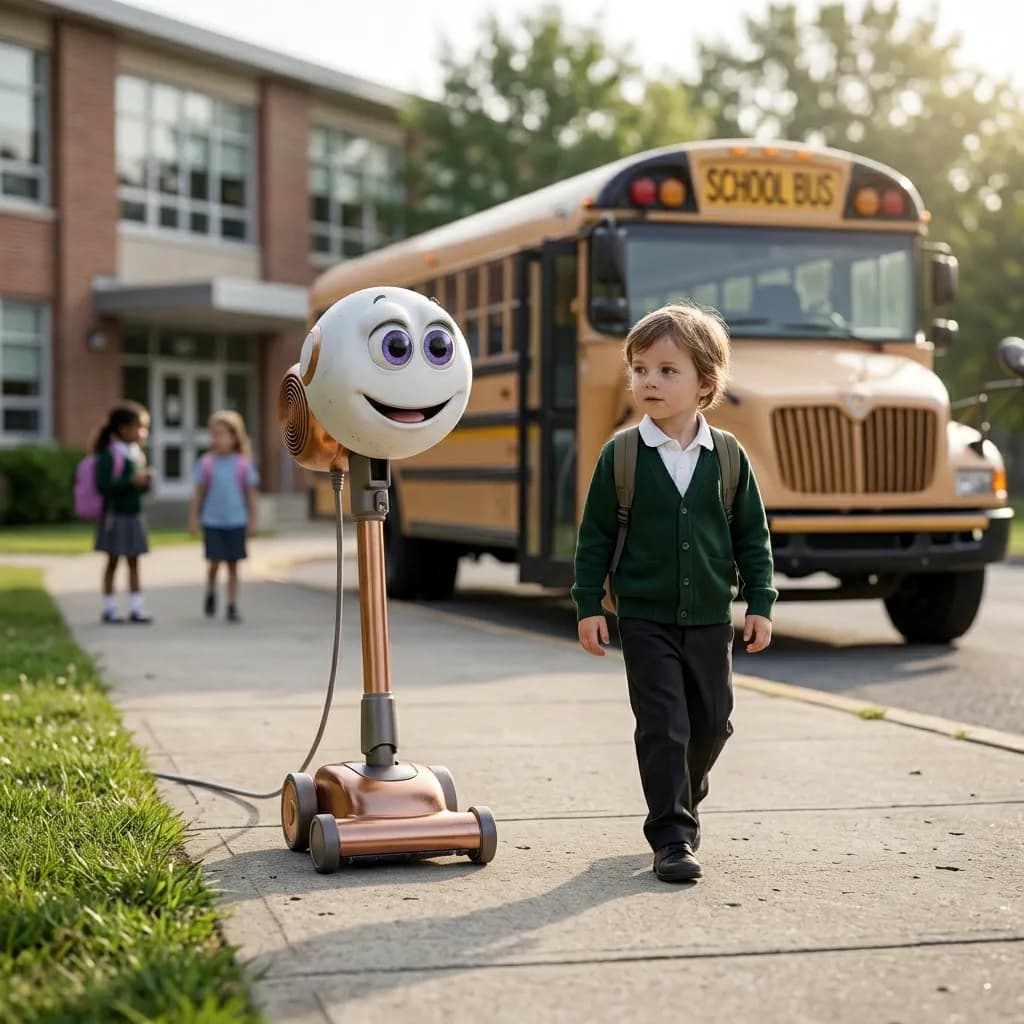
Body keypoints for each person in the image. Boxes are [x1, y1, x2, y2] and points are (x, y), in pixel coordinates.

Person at [572, 303, 777, 884]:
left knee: (712, 723)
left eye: (666, 370)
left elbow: (752, 538)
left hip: (711, 618)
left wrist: (760, 601)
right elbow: (594, 540)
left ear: (705, 383)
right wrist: (589, 604)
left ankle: (682, 794)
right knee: (664, 723)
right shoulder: (623, 456)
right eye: (639, 369)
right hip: (644, 617)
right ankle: (671, 835)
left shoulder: (729, 459)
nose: (648, 381)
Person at [188, 410, 259, 622]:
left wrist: (253, 520)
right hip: (213, 521)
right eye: (214, 434)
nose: (216, 439)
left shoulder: (243, 464)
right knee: (214, 563)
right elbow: (198, 494)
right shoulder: (207, 463)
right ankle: (210, 592)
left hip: (236, 521)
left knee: (233, 566)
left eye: (221, 434)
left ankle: (231, 604)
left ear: (234, 436)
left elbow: (251, 496)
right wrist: (193, 518)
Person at [93, 404, 154, 624]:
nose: (143, 433)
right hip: (115, 516)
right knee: (112, 561)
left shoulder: (137, 454)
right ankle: (110, 608)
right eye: (139, 427)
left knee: (134, 562)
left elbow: (138, 489)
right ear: (122, 429)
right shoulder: (110, 456)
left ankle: (137, 607)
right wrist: (130, 482)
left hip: (134, 515)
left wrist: (145, 483)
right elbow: (104, 487)